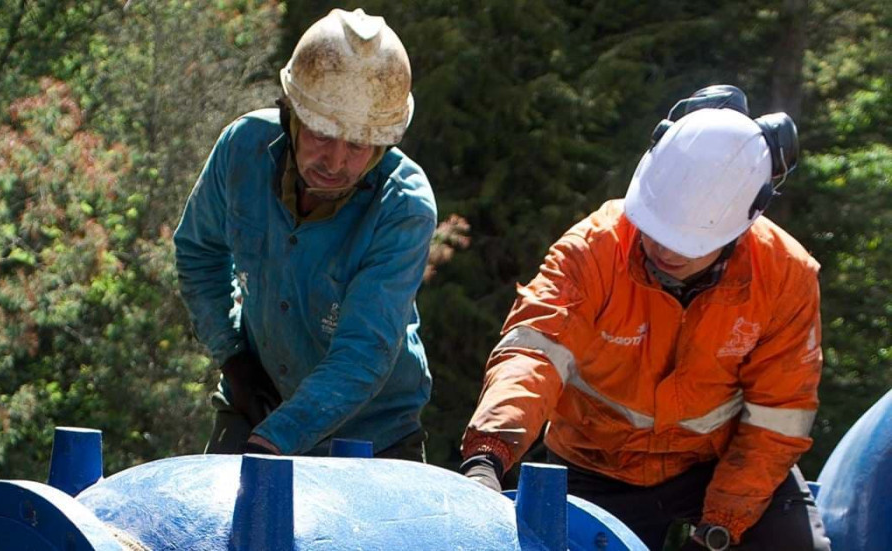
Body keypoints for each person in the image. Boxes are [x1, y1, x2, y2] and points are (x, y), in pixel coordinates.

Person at [459, 86, 830, 550]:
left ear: (743, 223)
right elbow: (534, 354)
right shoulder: (593, 248)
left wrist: (721, 526)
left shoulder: (784, 275)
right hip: (594, 465)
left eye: (689, 241)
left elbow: (778, 419)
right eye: (655, 229)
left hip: (720, 461)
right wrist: (489, 454)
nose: (665, 249)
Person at [174, 8, 435, 460]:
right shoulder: (242, 149)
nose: (335, 162)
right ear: (290, 114)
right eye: (320, 135)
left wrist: (277, 441)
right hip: (256, 398)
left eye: (357, 145)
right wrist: (234, 358)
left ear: (385, 143)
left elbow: (363, 353)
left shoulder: (404, 207)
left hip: (374, 432)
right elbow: (199, 252)